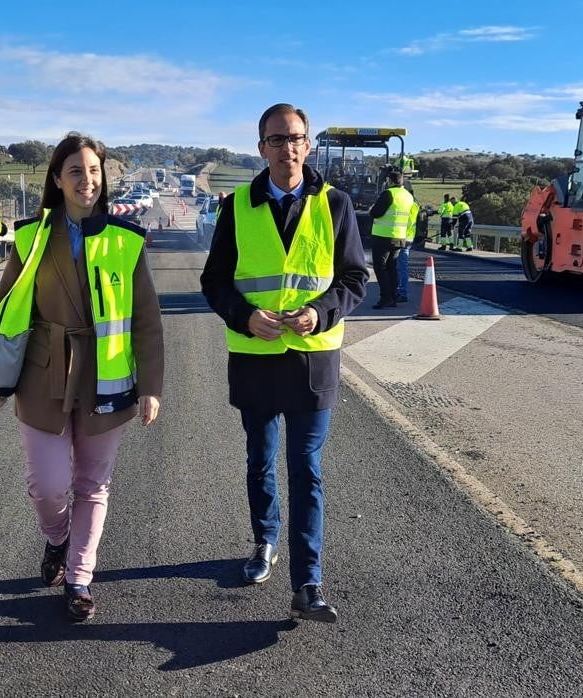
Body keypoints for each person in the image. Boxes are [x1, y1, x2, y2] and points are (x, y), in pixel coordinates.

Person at [0, 132, 164, 622]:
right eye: (75, 171)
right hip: (43, 372)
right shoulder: (32, 235)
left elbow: (145, 318)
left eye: (95, 171)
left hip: (108, 377)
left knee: (93, 484)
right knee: (48, 485)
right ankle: (56, 539)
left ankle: (80, 578)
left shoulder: (125, 239)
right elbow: (7, 308)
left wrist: (151, 387)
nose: (87, 180)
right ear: (57, 179)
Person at [200, 103, 367, 623]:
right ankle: (264, 542)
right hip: (255, 358)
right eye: (276, 140)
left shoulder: (336, 204)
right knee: (260, 460)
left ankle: (309, 582)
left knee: (306, 468)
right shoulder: (237, 208)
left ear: (308, 144)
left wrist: (320, 312)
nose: (286, 148)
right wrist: (244, 316)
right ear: (261, 148)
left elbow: (355, 280)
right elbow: (215, 282)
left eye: (295, 138)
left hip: (313, 361)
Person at [369, 168, 416, 308]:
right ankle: (393, 297)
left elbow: (376, 212)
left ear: (389, 181)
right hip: (399, 237)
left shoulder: (388, 193)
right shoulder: (408, 196)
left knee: (380, 267)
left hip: (383, 235)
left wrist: (372, 209)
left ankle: (386, 297)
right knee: (392, 267)